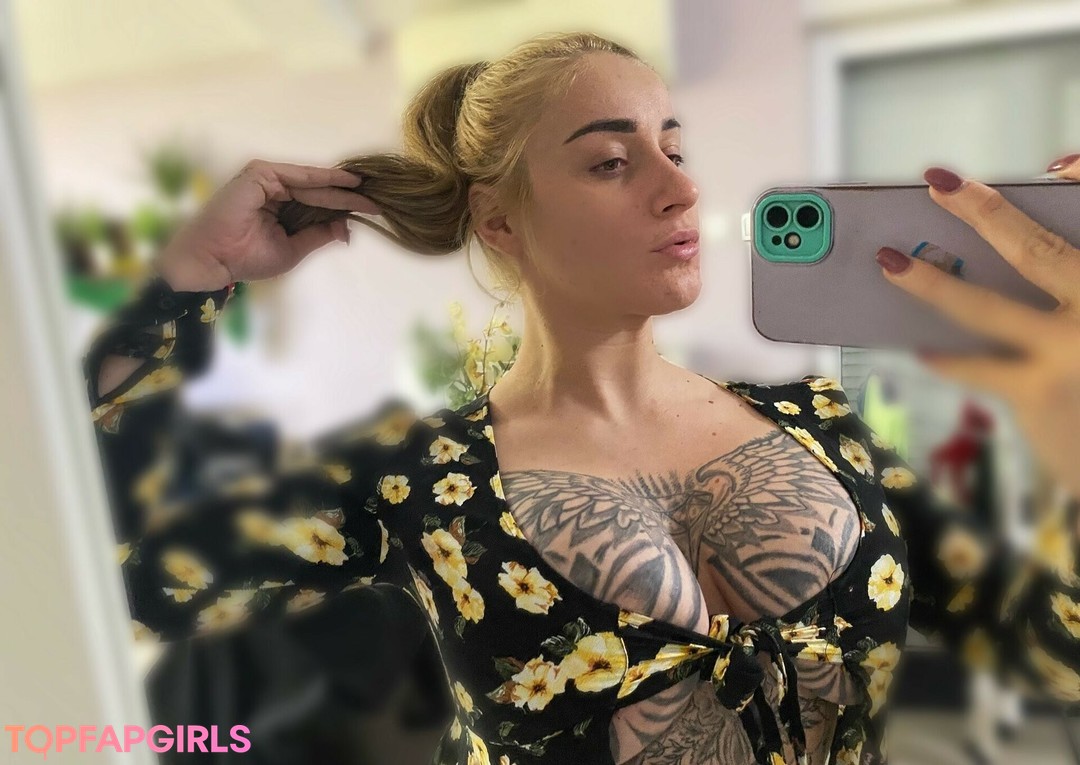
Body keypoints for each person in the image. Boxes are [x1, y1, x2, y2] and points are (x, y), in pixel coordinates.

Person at [82, 31, 1080, 765]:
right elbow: (124, 583)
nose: (679, 188)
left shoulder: (826, 428)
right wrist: (184, 284)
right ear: (499, 221)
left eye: (675, 147)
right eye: (611, 161)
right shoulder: (419, 477)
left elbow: (1057, 655)